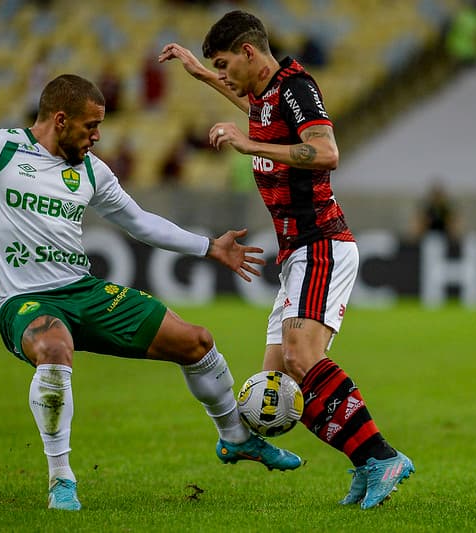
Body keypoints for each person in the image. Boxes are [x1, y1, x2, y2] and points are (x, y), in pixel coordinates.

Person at [0, 74, 302, 511]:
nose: (97, 136)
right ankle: (61, 478)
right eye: (91, 126)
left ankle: (236, 438)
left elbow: (139, 222)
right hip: (24, 300)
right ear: (60, 119)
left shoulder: (90, 170)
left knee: (197, 342)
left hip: (82, 291)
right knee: (53, 348)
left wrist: (207, 246)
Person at [159, 10, 414, 510]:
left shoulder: (296, 86)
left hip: (322, 242)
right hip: (297, 252)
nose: (225, 74)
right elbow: (255, 110)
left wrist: (246, 144)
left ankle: (381, 457)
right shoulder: (267, 97)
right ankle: (364, 461)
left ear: (249, 52)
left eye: (225, 64)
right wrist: (204, 75)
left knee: (301, 358)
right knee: (281, 380)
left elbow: (326, 152)